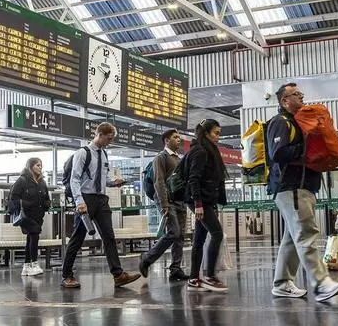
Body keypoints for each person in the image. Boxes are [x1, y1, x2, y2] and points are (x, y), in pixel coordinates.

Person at [266, 83, 338, 302]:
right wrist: (307, 148)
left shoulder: (298, 123)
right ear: (284, 101)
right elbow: (278, 153)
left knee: (292, 238)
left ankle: (282, 283)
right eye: (296, 95)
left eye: (301, 94)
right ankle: (321, 283)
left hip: (303, 186)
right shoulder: (280, 123)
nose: (301, 98)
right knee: (306, 234)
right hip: (291, 187)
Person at [62, 123, 140, 289]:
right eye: (109, 138)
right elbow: (74, 179)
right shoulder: (83, 153)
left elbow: (102, 178)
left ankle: (118, 275)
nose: (110, 142)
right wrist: (79, 201)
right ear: (100, 134)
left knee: (109, 237)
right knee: (77, 238)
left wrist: (113, 182)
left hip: (101, 199)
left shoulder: (104, 154)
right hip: (86, 199)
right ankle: (66, 275)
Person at [185, 119, 229, 293]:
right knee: (217, 233)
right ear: (206, 133)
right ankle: (210, 275)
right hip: (199, 201)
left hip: (204, 200)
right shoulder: (201, 152)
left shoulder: (207, 150)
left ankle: (194, 279)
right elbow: (193, 178)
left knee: (199, 239)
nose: (218, 136)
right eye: (216, 133)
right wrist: (198, 204)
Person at [139, 129, 188, 282]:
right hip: (167, 202)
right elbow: (158, 181)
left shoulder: (178, 159)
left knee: (180, 236)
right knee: (173, 232)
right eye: (175, 137)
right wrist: (164, 204)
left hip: (180, 201)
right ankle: (147, 258)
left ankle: (175, 269)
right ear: (167, 140)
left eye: (179, 137)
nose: (179, 140)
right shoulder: (161, 157)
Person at [10, 157, 50, 277]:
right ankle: (34, 263)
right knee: (35, 234)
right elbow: (13, 198)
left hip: (38, 215)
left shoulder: (42, 182)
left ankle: (26, 266)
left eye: (41, 165)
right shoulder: (22, 181)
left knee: (31, 237)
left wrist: (46, 205)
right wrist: (23, 205)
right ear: (30, 166)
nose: (40, 167)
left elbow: (46, 197)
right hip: (26, 215)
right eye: (37, 165)